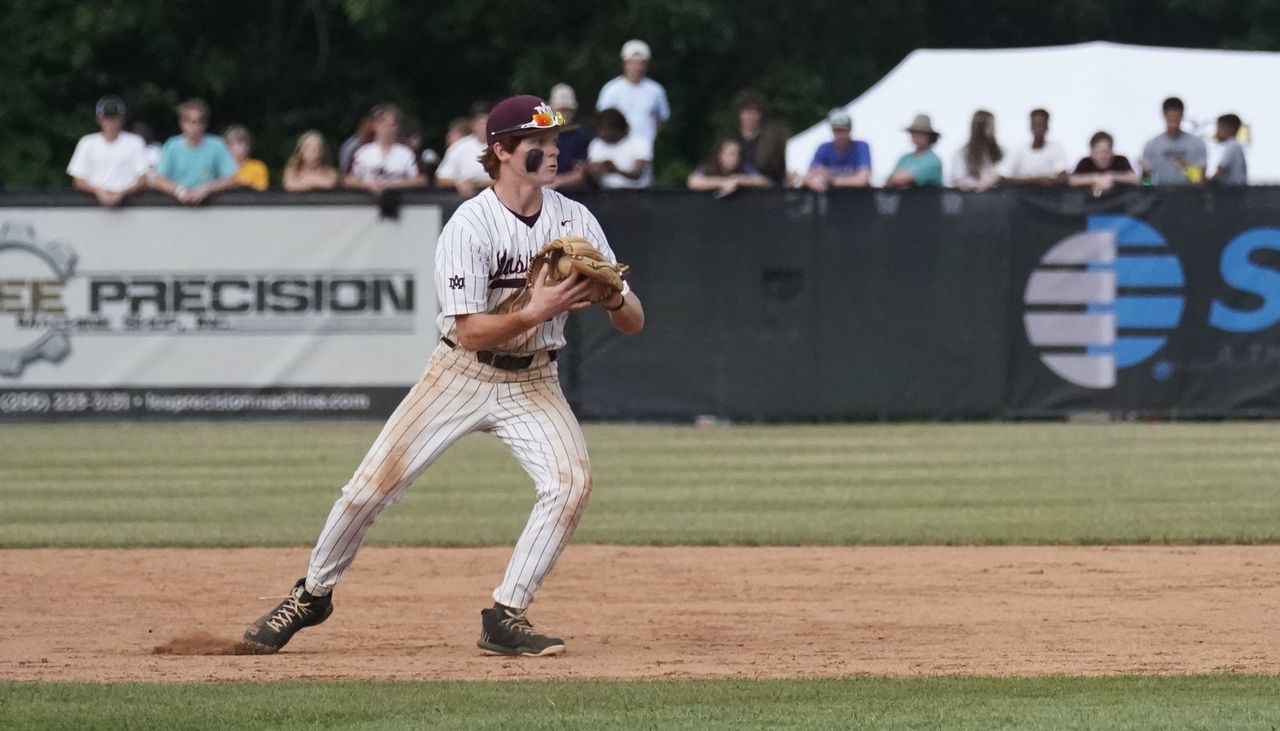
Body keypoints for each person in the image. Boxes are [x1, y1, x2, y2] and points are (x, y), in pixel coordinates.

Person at [242, 93, 645, 658]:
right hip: (460, 373)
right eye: (541, 144)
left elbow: (634, 320)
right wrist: (538, 309)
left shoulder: (575, 218)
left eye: (555, 141)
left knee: (570, 483)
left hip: (533, 381)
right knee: (366, 492)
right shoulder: (471, 224)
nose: (555, 151)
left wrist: (610, 298)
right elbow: (472, 332)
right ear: (503, 151)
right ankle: (311, 594)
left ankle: (506, 615)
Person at [151, 99, 241, 205]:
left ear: (204, 124)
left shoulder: (217, 145)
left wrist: (206, 189)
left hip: (210, 206)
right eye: (189, 121)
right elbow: (158, 179)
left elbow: (233, 179)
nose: (194, 127)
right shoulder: (172, 146)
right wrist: (179, 191)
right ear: (181, 123)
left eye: (198, 121)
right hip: (176, 207)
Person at [66, 95, 150, 207]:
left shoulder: (135, 142)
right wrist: (98, 192)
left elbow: (143, 178)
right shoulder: (87, 142)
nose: (111, 122)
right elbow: (78, 180)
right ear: (99, 119)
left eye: (115, 117)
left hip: (129, 205)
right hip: (92, 205)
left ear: (122, 119)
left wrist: (122, 193)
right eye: (106, 117)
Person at [595, 39, 670, 150]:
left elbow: (661, 118)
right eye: (633, 63)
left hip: (643, 150)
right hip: (615, 148)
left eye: (641, 63)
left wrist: (651, 138)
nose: (637, 68)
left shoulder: (656, 91)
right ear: (625, 64)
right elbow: (603, 117)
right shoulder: (611, 89)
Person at [344, 104, 426, 193]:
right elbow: (348, 180)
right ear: (375, 126)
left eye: (392, 125)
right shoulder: (361, 152)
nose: (388, 129)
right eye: (384, 124)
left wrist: (393, 185)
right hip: (367, 203)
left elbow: (421, 180)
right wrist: (367, 185)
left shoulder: (408, 153)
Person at [1141, 97, 1208, 186]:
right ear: (1164, 115)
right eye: (1170, 117)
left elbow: (1199, 180)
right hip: (1160, 196)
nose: (1173, 121)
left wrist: (1186, 168)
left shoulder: (1196, 143)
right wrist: (1146, 175)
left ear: (1182, 116)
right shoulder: (1152, 145)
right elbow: (1146, 181)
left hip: (1188, 195)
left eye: (1176, 117)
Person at [802, 108, 870, 192]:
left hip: (857, 200)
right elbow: (807, 176)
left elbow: (862, 180)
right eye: (836, 130)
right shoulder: (823, 148)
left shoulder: (861, 147)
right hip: (832, 202)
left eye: (843, 130)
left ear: (850, 130)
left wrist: (831, 180)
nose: (839, 135)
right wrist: (813, 182)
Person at [730, 88, 788, 185]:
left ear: (760, 114)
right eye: (746, 112)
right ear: (739, 114)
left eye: (753, 112)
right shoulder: (732, 140)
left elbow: (779, 172)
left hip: (767, 191)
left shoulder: (772, 141)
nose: (749, 117)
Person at [436, 102, 492, 198]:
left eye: (487, 122)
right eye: (480, 123)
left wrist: (477, 184)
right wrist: (458, 183)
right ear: (472, 124)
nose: (484, 127)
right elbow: (441, 179)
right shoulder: (459, 147)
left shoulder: (502, 147)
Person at [587, 108, 652, 189]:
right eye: (599, 129)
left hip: (637, 193)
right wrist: (593, 170)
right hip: (605, 194)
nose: (602, 133)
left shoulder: (639, 143)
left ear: (618, 128)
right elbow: (593, 176)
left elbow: (637, 174)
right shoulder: (596, 144)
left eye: (606, 129)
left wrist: (617, 170)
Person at [1000, 109, 1067, 185]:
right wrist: (1034, 180)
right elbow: (1002, 176)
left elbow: (1063, 178)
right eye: (1035, 125)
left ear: (1047, 127)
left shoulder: (1055, 147)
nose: (1038, 129)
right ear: (1031, 126)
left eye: (1041, 125)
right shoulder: (1020, 148)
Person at [547, 83, 593, 191]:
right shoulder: (543, 136)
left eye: (568, 110)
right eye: (561, 110)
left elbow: (580, 174)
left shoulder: (581, 137)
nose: (565, 114)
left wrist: (556, 182)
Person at [687, 138, 770, 196]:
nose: (734, 158)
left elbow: (764, 182)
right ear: (720, 155)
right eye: (730, 154)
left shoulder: (744, 168)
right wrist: (723, 183)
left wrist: (738, 180)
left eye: (737, 154)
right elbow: (693, 181)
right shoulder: (710, 167)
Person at [1068, 131, 1139, 196]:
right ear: (1091, 153)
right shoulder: (1085, 162)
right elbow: (1072, 180)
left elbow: (1134, 178)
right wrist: (1093, 179)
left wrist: (1113, 177)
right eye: (1098, 153)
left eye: (1105, 152)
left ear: (1112, 151)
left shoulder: (1121, 160)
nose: (1102, 156)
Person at [885, 114, 944, 188]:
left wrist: (899, 176)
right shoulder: (904, 158)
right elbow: (889, 180)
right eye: (914, 133)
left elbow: (902, 179)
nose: (917, 136)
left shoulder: (933, 160)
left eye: (921, 134)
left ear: (930, 136)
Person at [950, 110, 1002, 192]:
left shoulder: (999, 152)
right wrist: (978, 185)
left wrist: (991, 181)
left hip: (995, 199)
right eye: (990, 126)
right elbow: (959, 181)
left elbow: (1001, 175)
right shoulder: (962, 153)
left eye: (994, 126)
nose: (993, 130)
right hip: (971, 200)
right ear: (979, 128)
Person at [224, 125, 268, 191]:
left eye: (239, 143)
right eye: (230, 143)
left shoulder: (258, 167)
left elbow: (261, 193)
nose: (234, 147)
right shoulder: (220, 167)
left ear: (247, 146)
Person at [1210, 113, 1248, 185]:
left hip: (1233, 192)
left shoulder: (1232, 146)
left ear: (1228, 130)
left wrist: (1206, 184)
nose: (1215, 134)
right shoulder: (1234, 145)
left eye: (1218, 129)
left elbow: (1220, 170)